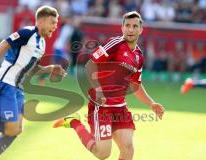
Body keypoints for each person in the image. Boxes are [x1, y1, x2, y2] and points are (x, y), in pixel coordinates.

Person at [53, 11, 165, 160]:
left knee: (128, 149)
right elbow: (90, 65)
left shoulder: (138, 55)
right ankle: (74, 122)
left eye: (134, 26)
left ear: (140, 30)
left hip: (120, 107)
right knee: (103, 153)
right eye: (127, 26)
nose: (131, 29)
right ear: (122, 28)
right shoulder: (115, 44)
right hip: (102, 106)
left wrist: (151, 103)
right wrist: (98, 91)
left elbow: (135, 85)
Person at [0, 5, 66, 160]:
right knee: (11, 129)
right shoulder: (27, 33)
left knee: (17, 130)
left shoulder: (42, 44)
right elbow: (3, 45)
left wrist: (50, 69)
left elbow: (30, 69)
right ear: (43, 21)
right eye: (53, 22)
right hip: (5, 84)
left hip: (18, 88)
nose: (55, 26)